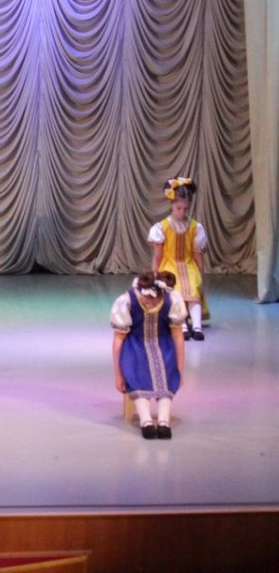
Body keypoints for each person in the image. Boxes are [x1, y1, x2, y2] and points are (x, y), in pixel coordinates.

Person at [112, 272, 186, 439]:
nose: (149, 303)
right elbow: (118, 338)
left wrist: (180, 369)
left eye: (155, 299)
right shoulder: (127, 300)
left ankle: (163, 421)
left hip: (163, 345)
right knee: (138, 374)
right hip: (135, 347)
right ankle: (145, 421)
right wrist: (118, 374)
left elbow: (177, 336)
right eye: (146, 299)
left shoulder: (171, 299)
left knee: (167, 373)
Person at [149, 176, 208, 340]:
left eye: (185, 208)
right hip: (169, 265)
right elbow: (158, 255)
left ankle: (197, 326)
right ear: (171, 204)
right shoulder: (162, 228)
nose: (182, 212)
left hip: (188, 264)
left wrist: (200, 273)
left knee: (193, 286)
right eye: (178, 208)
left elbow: (197, 254)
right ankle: (181, 325)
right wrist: (155, 274)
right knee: (176, 289)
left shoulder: (195, 227)